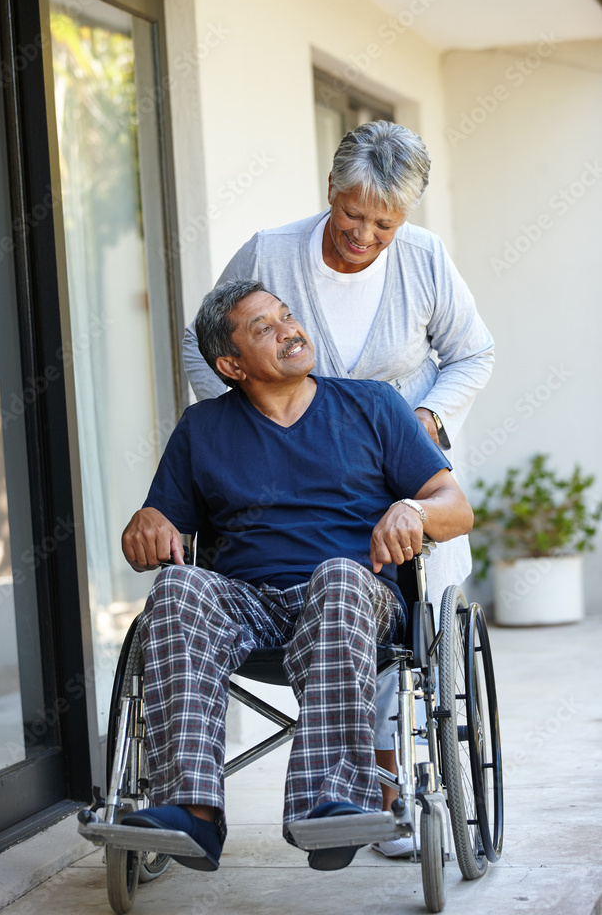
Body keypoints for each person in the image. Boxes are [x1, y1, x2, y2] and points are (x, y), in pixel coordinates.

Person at [181, 121, 494, 852]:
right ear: (330, 191)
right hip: (286, 478)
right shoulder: (270, 252)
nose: (364, 234)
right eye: (353, 216)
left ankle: (379, 786)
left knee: (397, 605)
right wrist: (251, 427)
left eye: (383, 223)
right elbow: (209, 347)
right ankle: (207, 801)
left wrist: (423, 419)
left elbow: (471, 352)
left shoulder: (422, 259)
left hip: (397, 466)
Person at [120, 279, 473, 873]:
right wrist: (146, 522)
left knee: (337, 576)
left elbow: (454, 506)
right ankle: (191, 813)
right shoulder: (202, 428)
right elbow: (158, 529)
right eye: (264, 327)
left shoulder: (373, 405)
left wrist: (413, 509)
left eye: (287, 315)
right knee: (177, 587)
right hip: (246, 601)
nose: (289, 329)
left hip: (353, 595)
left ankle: (330, 805)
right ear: (231, 364)